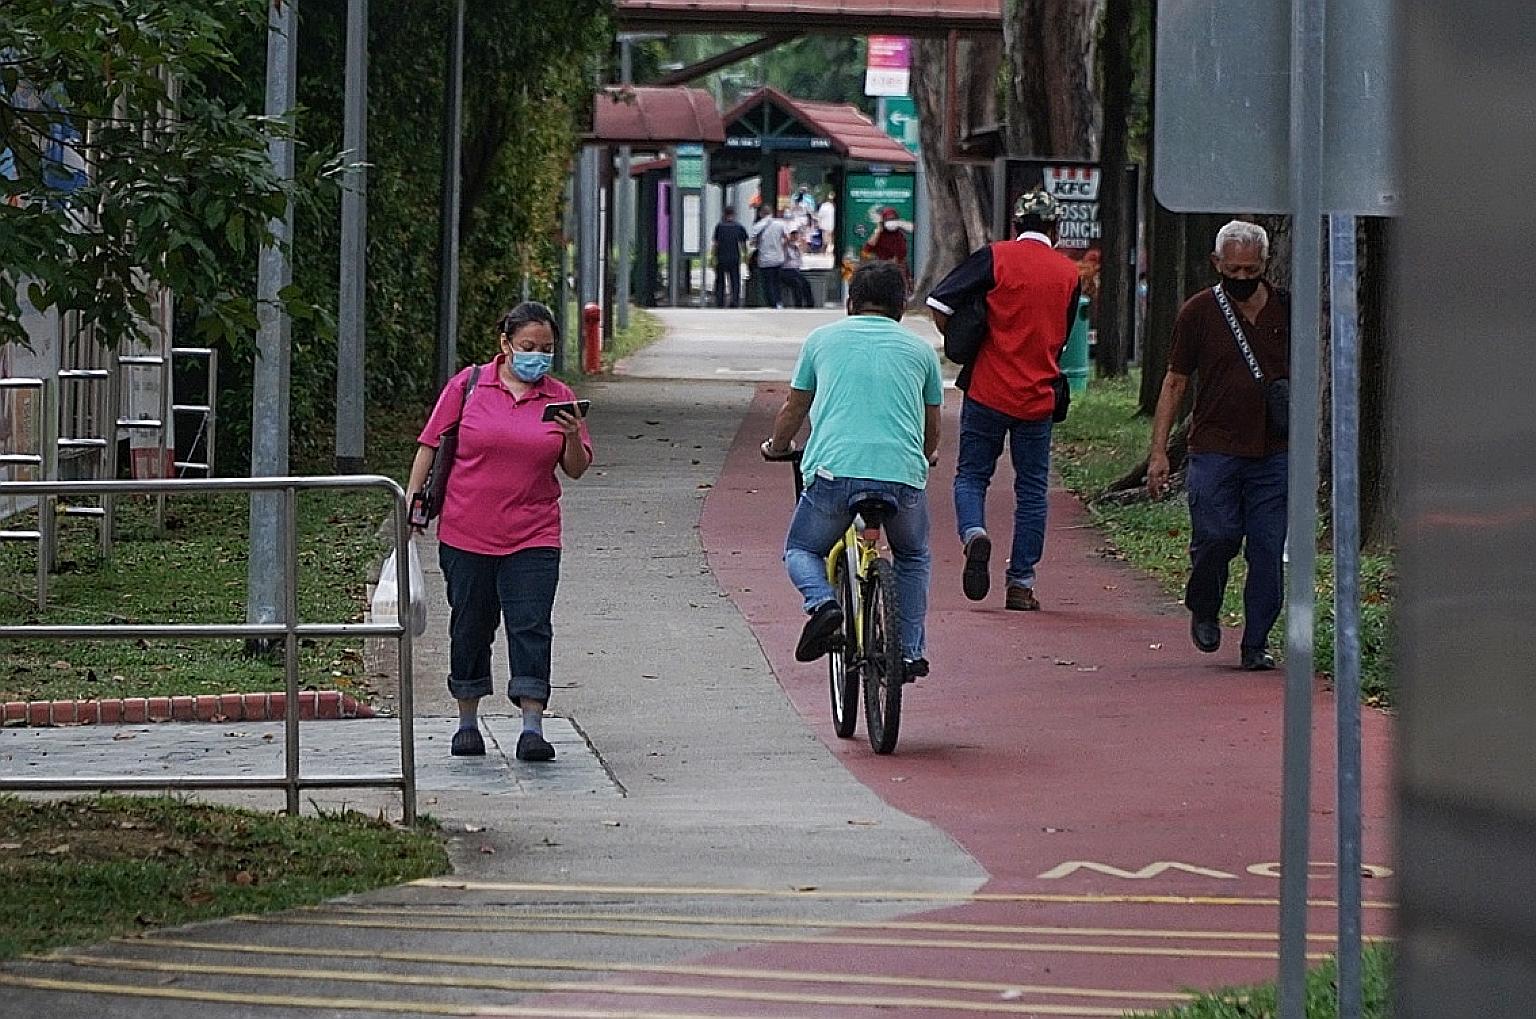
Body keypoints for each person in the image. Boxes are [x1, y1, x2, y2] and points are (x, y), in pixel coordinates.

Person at [406, 302, 593, 761]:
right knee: (470, 625)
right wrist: (412, 503)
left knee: (531, 626)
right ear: (505, 344)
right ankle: (467, 719)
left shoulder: (558, 396)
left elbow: (577, 469)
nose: (537, 357)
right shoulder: (468, 386)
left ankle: (532, 725)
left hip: (534, 533)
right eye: (528, 347)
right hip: (467, 531)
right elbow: (430, 445)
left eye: (546, 349)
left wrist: (570, 435)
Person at [761, 261, 943, 677]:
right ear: (901, 306)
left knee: (802, 549)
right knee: (913, 555)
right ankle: (910, 652)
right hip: (902, 475)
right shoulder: (921, 351)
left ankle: (824, 605)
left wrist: (778, 446)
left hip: (834, 474)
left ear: (850, 302)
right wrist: (926, 453)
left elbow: (794, 408)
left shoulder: (821, 340)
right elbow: (932, 425)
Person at [925, 188, 1081, 611]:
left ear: (1016, 225)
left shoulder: (995, 257)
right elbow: (1063, 336)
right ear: (1055, 228)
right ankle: (1021, 583)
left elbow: (938, 301)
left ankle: (974, 532)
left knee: (972, 476)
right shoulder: (1069, 273)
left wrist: (960, 339)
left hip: (988, 391)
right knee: (1032, 489)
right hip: (1038, 397)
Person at [1146, 220, 1289, 671]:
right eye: (1234, 270)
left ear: (1265, 264)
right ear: (1217, 264)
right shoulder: (1199, 312)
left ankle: (1255, 642)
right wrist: (1158, 452)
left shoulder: (1288, 309)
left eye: (1251, 270)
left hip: (1275, 452)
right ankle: (1204, 605)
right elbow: (1175, 382)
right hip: (1214, 448)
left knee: (1268, 548)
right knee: (1217, 536)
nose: (1243, 279)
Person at [749, 206, 788, 309]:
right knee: (777, 282)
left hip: (765, 259)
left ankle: (772, 303)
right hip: (778, 258)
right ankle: (779, 301)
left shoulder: (757, 226)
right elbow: (786, 238)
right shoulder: (780, 224)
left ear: (761, 214)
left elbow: (752, 242)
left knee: (768, 283)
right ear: (771, 212)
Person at [711, 207, 748, 308]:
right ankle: (735, 301)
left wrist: (712, 256)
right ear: (734, 214)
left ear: (724, 214)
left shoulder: (719, 226)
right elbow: (743, 243)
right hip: (734, 257)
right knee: (735, 280)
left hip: (721, 257)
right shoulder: (739, 227)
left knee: (720, 280)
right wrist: (745, 255)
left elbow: (716, 243)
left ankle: (720, 301)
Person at [862, 207, 909, 278]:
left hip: (894, 271)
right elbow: (868, 248)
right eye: (888, 220)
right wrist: (878, 230)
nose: (891, 222)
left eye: (893, 219)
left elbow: (901, 255)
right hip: (878, 270)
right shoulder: (879, 234)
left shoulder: (899, 236)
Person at [781, 228, 815, 308]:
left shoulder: (797, 247)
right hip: (786, 270)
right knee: (797, 284)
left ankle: (810, 304)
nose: (795, 238)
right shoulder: (785, 247)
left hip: (796, 270)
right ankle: (798, 304)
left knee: (806, 283)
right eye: (793, 236)